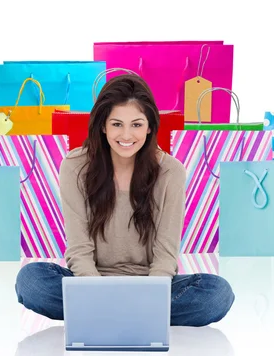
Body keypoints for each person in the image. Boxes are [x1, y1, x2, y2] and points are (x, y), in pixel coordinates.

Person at [15, 74, 234, 327]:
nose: (126, 135)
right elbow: (79, 249)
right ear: (103, 126)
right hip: (91, 283)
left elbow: (165, 256)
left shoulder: (171, 171)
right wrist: (98, 293)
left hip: (150, 285)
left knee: (216, 294)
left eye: (137, 125)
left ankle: (104, 316)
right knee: (31, 280)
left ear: (150, 126)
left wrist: (150, 296)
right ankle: (137, 318)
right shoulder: (75, 165)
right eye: (117, 124)